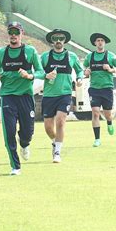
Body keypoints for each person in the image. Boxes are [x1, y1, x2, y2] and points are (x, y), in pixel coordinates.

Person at [0, 22, 44, 175]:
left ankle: (25, 143)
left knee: (27, 132)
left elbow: (41, 71)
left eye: (16, 32)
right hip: (7, 97)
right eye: (10, 32)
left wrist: (29, 75)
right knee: (9, 132)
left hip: (26, 96)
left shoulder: (30, 51)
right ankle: (15, 166)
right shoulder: (1, 53)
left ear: (22, 33)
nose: (13, 35)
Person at [39, 29, 84, 163]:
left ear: (65, 40)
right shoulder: (45, 57)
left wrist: (80, 78)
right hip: (48, 95)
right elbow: (37, 71)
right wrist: (45, 75)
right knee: (48, 127)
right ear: (52, 41)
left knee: (60, 121)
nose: (58, 41)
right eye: (55, 38)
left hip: (65, 94)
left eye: (61, 38)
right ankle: (54, 142)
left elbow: (80, 70)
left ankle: (57, 152)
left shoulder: (72, 56)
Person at [83, 33, 116, 147]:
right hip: (94, 89)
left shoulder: (111, 56)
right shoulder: (89, 57)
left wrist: (111, 69)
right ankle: (97, 139)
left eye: (102, 40)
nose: (100, 42)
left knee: (107, 114)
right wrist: (85, 72)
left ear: (104, 43)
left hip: (107, 88)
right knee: (95, 113)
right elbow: (83, 68)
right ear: (95, 43)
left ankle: (109, 122)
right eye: (98, 40)